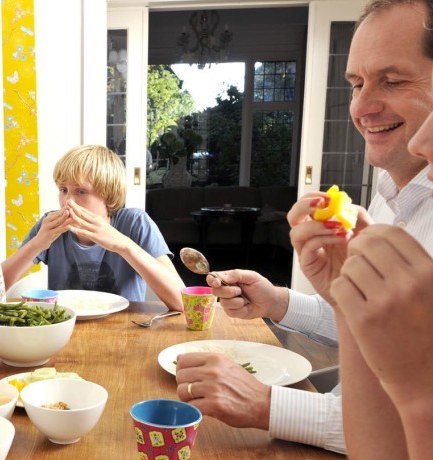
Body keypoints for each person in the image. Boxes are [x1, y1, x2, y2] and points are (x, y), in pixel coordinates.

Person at [173, 0, 433, 453]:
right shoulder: (389, 198)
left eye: (392, 81)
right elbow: (386, 336)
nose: (362, 108)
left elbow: (411, 424)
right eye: (356, 84)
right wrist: (280, 301)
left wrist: (265, 403)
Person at [1, 144, 185, 308]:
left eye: (81, 191)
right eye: (63, 190)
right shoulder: (49, 225)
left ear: (109, 196)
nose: (68, 202)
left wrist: (124, 246)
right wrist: (37, 244)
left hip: (125, 330)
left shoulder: (135, 223)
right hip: (65, 329)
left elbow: (182, 302)